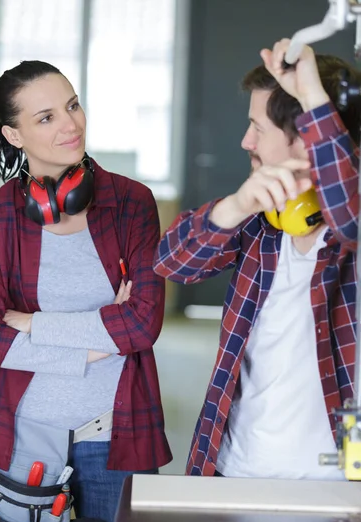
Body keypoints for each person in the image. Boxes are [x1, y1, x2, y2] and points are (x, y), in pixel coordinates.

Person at [0, 60, 172, 522]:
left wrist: (35, 325)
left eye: (73, 105)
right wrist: (93, 349)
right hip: (25, 436)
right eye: (47, 116)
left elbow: (143, 323)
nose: (70, 124)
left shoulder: (131, 203)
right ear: (14, 134)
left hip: (116, 431)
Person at [154, 39, 360, 480]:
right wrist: (232, 208)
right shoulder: (260, 219)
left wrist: (313, 99)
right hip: (234, 471)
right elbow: (171, 263)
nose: (246, 140)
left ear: (308, 140)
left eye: (258, 128)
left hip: (338, 482)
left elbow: (350, 213)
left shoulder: (350, 230)